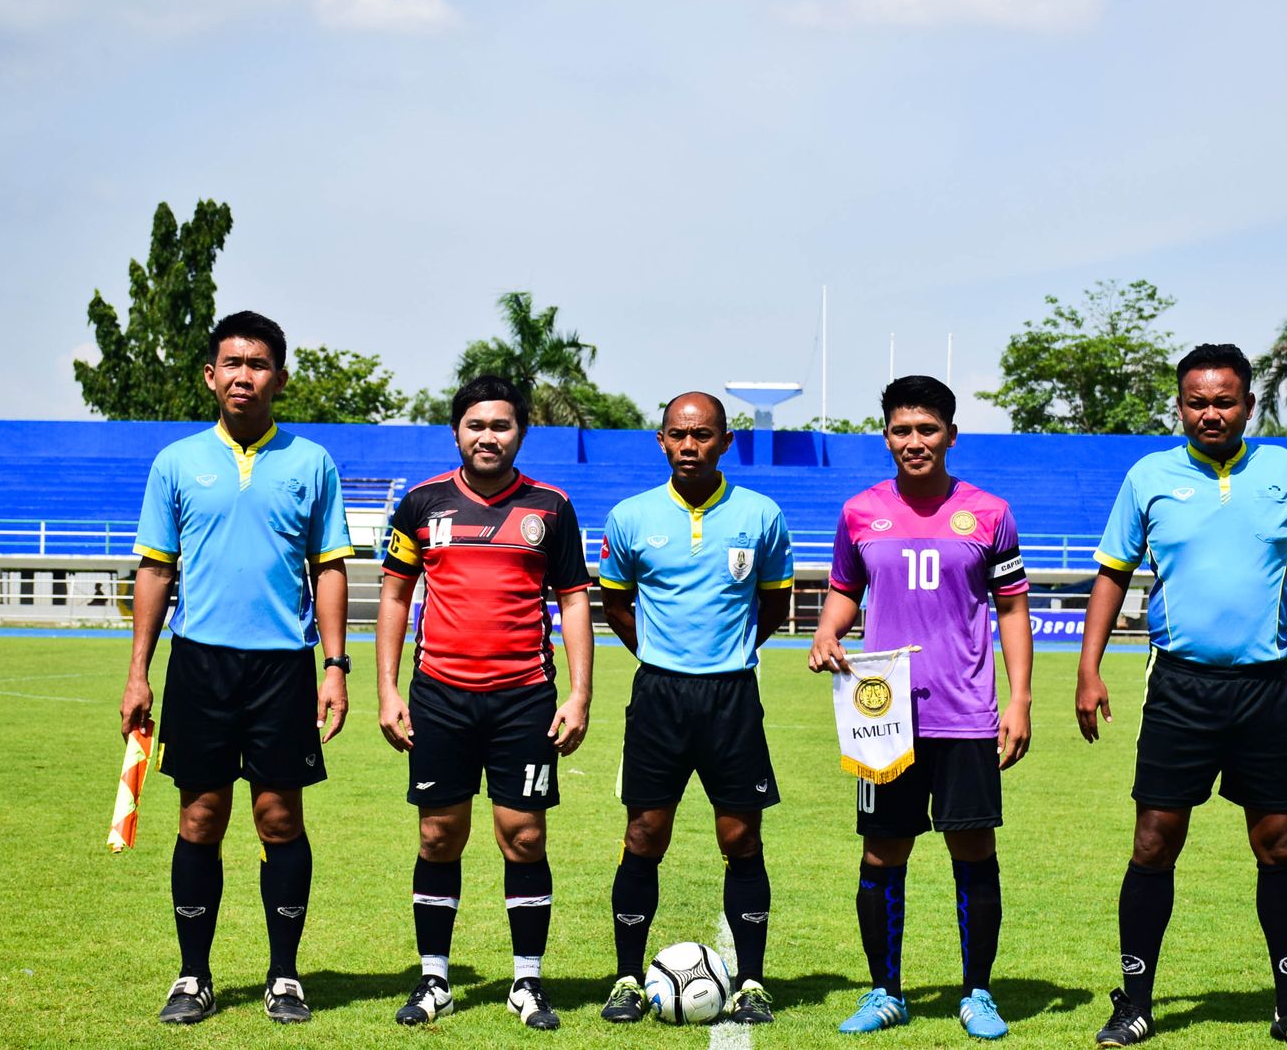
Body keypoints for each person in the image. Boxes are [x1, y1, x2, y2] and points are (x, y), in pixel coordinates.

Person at [1076, 344, 1287, 1050]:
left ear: (1248, 405)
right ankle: (1135, 1004)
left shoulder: (1284, 471)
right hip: (1180, 687)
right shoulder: (1149, 477)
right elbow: (1112, 574)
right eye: (1197, 402)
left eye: (1224, 401)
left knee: (1279, 841)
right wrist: (1088, 668)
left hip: (1264, 688)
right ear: (1180, 405)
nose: (1210, 413)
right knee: (1154, 839)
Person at [120, 310, 354, 1025]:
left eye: (257, 364)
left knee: (279, 817)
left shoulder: (311, 462)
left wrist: (336, 665)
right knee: (200, 817)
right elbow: (155, 569)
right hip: (201, 665)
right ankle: (193, 975)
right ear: (210, 375)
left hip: (284, 667)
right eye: (231, 363)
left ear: (279, 377)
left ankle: (285, 977)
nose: (243, 375)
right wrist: (138, 672)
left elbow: (329, 568)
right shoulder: (176, 462)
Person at [809, 375, 1034, 1040]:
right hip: (881, 716)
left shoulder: (989, 513)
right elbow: (845, 589)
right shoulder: (859, 512)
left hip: (966, 712)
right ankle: (885, 992)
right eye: (902, 430)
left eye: (927, 429)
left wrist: (1020, 698)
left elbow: (1012, 608)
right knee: (882, 854)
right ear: (886, 437)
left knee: (974, 848)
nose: (915, 441)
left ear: (951, 436)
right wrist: (827, 630)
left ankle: (978, 993)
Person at [375, 375, 594, 1032]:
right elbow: (395, 595)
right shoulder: (422, 503)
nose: (488, 436)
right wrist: (387, 688)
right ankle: (435, 979)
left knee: (523, 835)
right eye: (476, 425)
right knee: (438, 834)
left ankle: (527, 981)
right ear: (456, 432)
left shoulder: (550, 507)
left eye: (501, 425)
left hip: (523, 698)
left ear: (520, 432)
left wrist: (579, 692)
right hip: (439, 696)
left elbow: (574, 600)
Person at [596, 391, 793, 1026]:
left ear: (725, 441)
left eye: (703, 435)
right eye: (678, 435)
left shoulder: (760, 514)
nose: (690, 445)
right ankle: (626, 978)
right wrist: (661, 656)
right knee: (644, 834)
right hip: (659, 696)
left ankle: (753, 982)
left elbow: (775, 603)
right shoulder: (630, 516)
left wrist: (727, 655)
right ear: (661, 440)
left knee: (741, 836)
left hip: (732, 697)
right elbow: (615, 602)